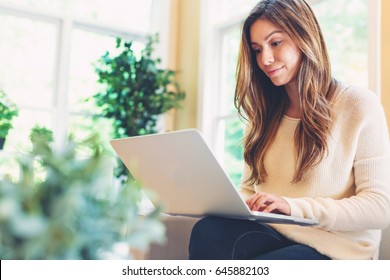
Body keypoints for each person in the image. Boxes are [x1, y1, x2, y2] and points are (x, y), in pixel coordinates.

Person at [189, 0, 390, 260]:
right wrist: (224, 201)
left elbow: (380, 207)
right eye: (257, 49)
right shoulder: (263, 116)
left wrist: (293, 207)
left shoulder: (358, 104)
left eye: (275, 43)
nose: (265, 59)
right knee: (208, 231)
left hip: (335, 248)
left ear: (304, 37)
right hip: (273, 234)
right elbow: (250, 190)